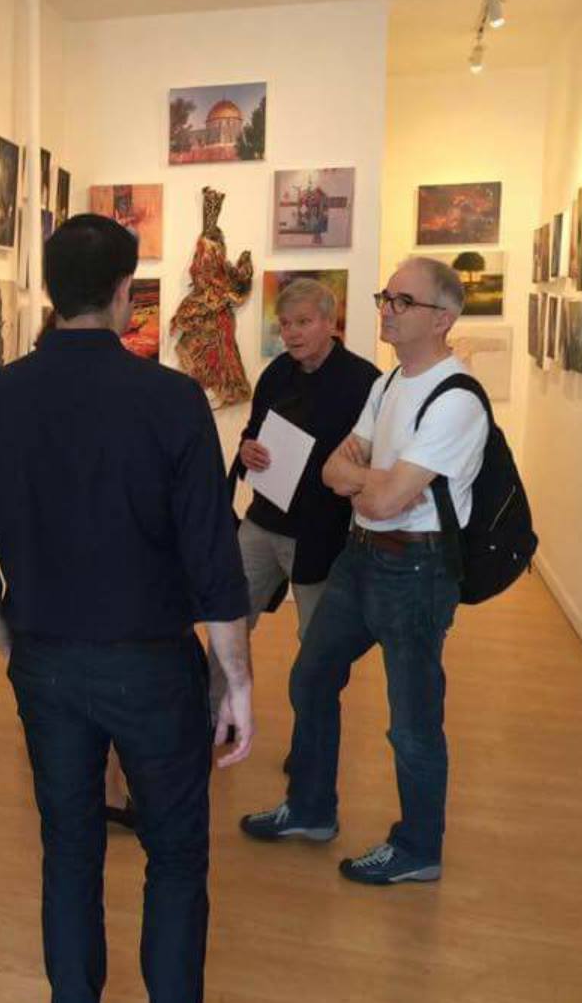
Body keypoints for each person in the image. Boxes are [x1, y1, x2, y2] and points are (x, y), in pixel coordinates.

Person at [0, 213, 253, 1003]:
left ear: (53, 293)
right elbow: (213, 560)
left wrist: (17, 650)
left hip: (47, 662)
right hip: (153, 665)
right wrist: (237, 680)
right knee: (176, 855)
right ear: (125, 293)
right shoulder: (173, 399)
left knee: (70, 850)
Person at [239, 257, 488, 887]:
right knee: (312, 675)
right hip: (361, 557)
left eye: (403, 301)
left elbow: (379, 498)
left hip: (416, 570)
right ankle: (311, 808)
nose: (387, 309)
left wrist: (369, 481)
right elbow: (333, 471)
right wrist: (374, 480)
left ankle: (418, 848)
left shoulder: (456, 399)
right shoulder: (390, 384)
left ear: (443, 318)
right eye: (387, 297)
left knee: (412, 720)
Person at [235, 278, 379, 645]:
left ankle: (314, 688)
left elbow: (376, 461)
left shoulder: (364, 381)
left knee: (318, 642)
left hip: (321, 532)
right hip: (262, 521)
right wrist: (247, 450)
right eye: (285, 323)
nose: (291, 333)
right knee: (228, 620)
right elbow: (252, 433)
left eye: (303, 322)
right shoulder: (276, 374)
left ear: (331, 323)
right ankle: (218, 687)